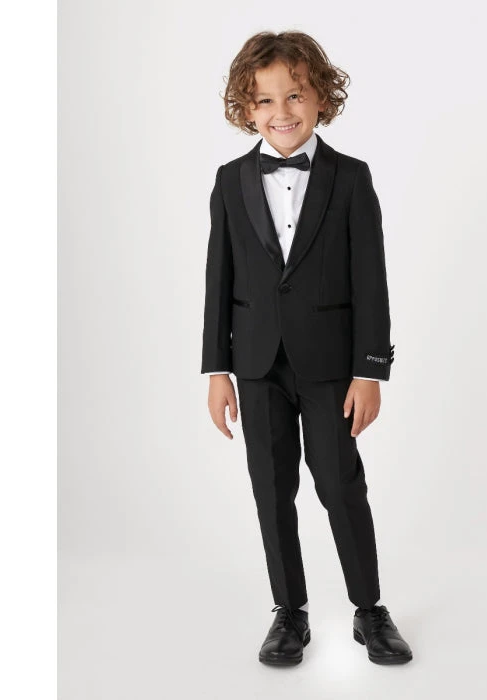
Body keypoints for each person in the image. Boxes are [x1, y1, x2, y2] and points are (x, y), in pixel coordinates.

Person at [201, 30, 412, 666]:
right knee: (271, 490)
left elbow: (370, 279)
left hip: (330, 368)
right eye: (264, 100)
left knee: (340, 485)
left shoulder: (351, 178)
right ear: (246, 109)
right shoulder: (230, 180)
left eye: (295, 95)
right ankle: (289, 612)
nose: (282, 112)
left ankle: (369, 609)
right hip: (256, 364)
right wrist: (217, 370)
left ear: (322, 97)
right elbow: (219, 279)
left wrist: (370, 370)